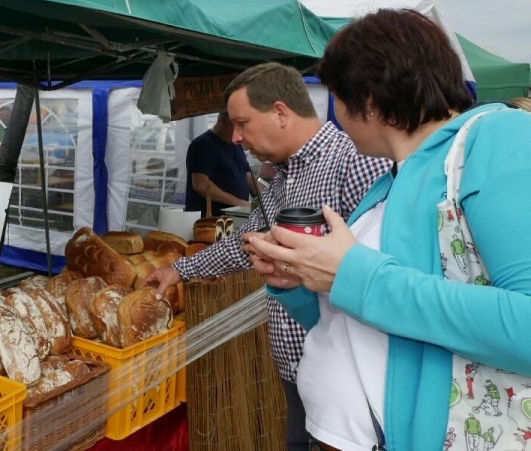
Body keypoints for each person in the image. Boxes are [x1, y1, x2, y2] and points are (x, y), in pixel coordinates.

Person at [248, 9, 531, 451]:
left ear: (371, 101)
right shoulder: (389, 182)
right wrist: (300, 284)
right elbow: (361, 320)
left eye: (338, 98)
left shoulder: (498, 139)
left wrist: (354, 276)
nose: (336, 115)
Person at [147, 61, 391, 451]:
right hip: (299, 364)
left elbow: (386, 267)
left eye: (243, 123)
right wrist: (181, 269)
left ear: (280, 112)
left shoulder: (353, 160)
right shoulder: (282, 174)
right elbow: (246, 239)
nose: (238, 137)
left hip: (349, 377)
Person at [184, 112, 252, 217]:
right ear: (223, 122)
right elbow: (201, 185)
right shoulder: (202, 145)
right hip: (210, 221)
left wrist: (266, 198)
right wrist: (239, 203)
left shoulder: (235, 145)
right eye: (237, 127)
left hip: (234, 218)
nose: (240, 133)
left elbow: (248, 176)